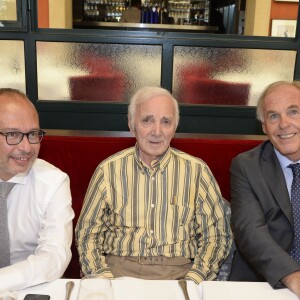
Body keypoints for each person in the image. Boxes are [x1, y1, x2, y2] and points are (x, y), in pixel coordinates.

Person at [75, 86, 232, 284]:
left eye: (166, 122)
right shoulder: (107, 170)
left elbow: (216, 236)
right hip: (118, 271)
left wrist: (194, 280)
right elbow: (87, 233)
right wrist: (103, 280)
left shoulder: (197, 171)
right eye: (147, 120)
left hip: (179, 274)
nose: (156, 131)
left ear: (175, 127)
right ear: (132, 125)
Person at [229, 81, 300, 298]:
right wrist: (293, 276)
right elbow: (251, 232)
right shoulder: (247, 166)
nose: (284, 124)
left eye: (293, 112)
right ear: (264, 127)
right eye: (273, 116)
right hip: (263, 283)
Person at [0, 88, 74, 291]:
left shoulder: (53, 182)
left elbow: (54, 257)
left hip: (31, 289)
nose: (26, 147)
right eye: (13, 134)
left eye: (33, 134)